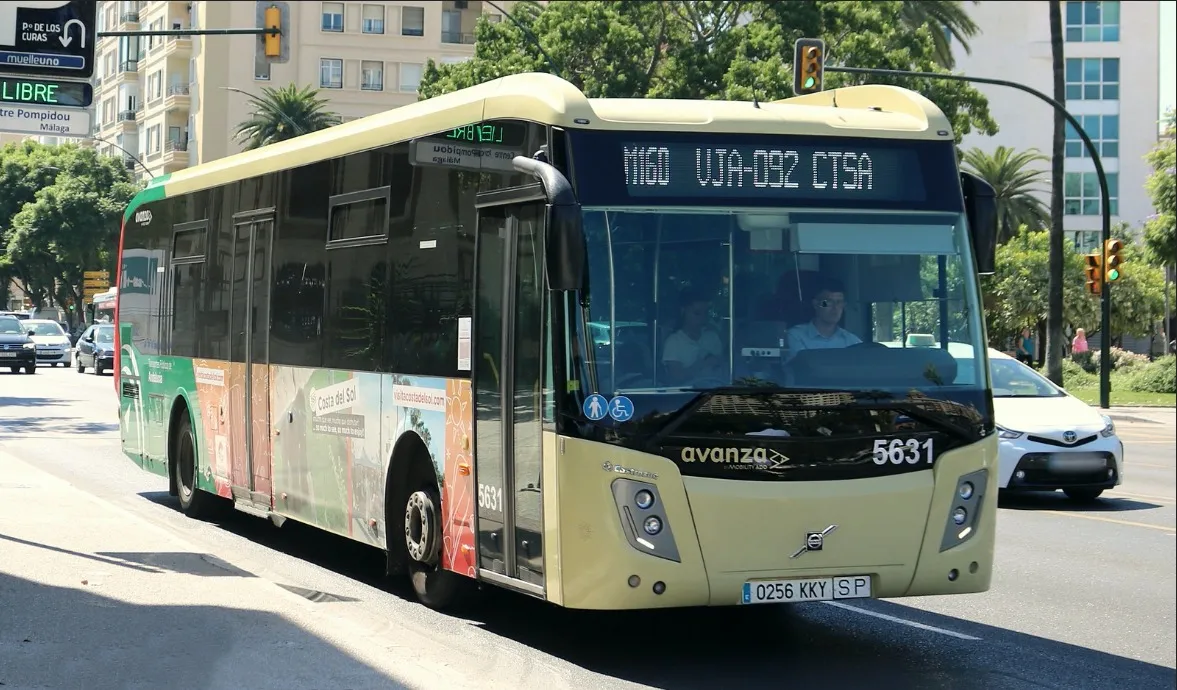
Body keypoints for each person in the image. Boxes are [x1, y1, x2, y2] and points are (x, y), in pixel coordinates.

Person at [785, 277, 861, 360]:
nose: (835, 308)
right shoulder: (796, 337)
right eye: (827, 302)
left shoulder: (853, 342)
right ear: (815, 304)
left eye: (839, 302)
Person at [662, 287, 725, 386]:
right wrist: (702, 365)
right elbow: (675, 378)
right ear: (683, 311)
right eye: (697, 313)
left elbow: (725, 369)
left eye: (705, 313)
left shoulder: (713, 337)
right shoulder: (674, 342)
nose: (702, 318)